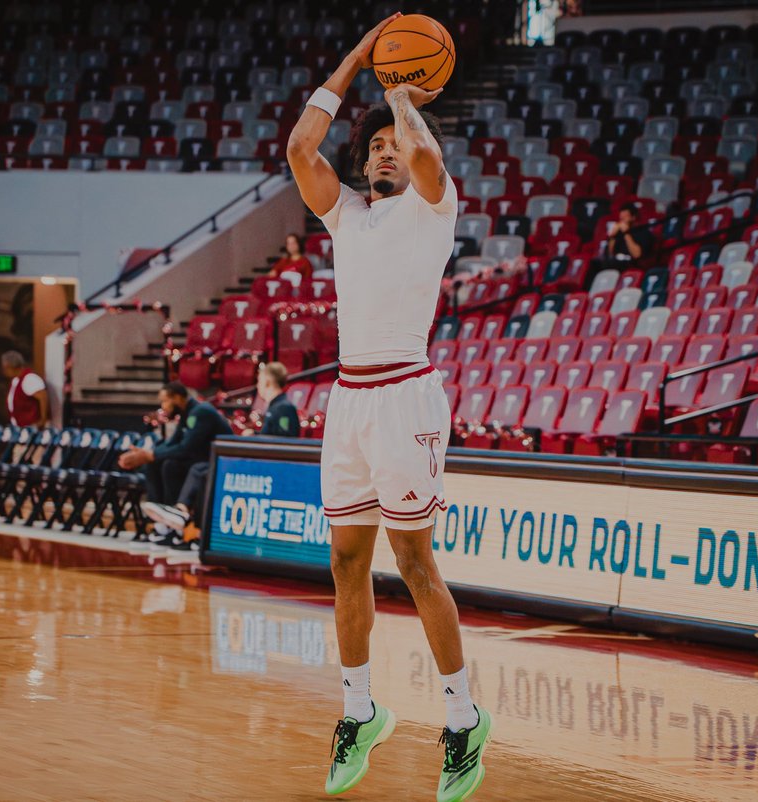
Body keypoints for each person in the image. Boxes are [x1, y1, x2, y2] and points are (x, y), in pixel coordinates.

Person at [287, 13, 491, 801]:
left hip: (406, 392)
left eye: (390, 146)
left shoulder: (430, 207)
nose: (380, 151)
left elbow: (429, 157)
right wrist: (356, 64)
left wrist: (402, 100)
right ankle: (359, 711)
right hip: (348, 397)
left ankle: (463, 717)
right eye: (370, 146)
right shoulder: (348, 214)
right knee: (344, 562)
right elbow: (301, 149)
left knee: (413, 562)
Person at [121, 382, 231, 548]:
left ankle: (176, 526)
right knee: (154, 465)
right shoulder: (187, 413)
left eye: (165, 401)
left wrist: (151, 455)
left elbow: (187, 448)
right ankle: (162, 527)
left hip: (216, 464)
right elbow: (171, 443)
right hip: (197, 462)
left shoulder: (201, 412)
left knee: (170, 466)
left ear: (178, 398)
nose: (163, 406)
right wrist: (147, 454)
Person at [1, 351, 48, 428]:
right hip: (19, 426)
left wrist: (42, 420)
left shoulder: (29, 378)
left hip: (30, 427)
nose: (4, 371)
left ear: (12, 366)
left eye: (5, 368)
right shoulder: (16, 380)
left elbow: (43, 397)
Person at [256, 361, 301, 438]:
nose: (257, 386)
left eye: (259, 381)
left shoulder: (284, 408)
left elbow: (285, 439)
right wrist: (254, 435)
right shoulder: (276, 407)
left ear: (267, 382)